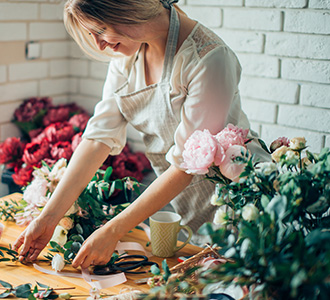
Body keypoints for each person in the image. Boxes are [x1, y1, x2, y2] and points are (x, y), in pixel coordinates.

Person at [13, 0, 269, 269]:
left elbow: (186, 165)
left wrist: (113, 231)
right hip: (188, 204)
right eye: (91, 34)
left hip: (239, 200)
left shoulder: (209, 58)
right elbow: (98, 138)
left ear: (127, 7)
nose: (99, 45)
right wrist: (49, 217)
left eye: (101, 30)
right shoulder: (126, 57)